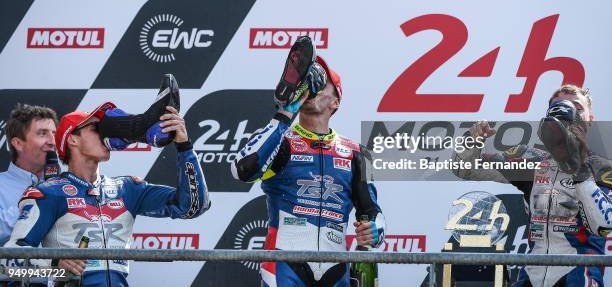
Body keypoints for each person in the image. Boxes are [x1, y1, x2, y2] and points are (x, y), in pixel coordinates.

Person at [5, 76, 210, 287]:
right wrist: (55, 266)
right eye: (95, 128)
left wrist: (184, 146)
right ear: (72, 139)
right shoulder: (49, 193)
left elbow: (193, 206)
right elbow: (8, 265)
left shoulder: (128, 189)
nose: (105, 133)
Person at [231, 38, 385, 287]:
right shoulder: (281, 142)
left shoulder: (357, 153)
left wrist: (374, 230)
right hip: (283, 262)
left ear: (336, 102)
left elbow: (372, 213)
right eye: (309, 80)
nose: (312, 87)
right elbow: (241, 170)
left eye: (321, 83)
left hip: (336, 267)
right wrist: (285, 112)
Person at [453, 84, 612, 287]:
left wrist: (579, 169)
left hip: (578, 274)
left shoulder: (603, 168)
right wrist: (471, 141)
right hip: (532, 273)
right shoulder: (529, 160)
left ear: (590, 119)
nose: (567, 112)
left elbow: (604, 226)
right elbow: (463, 168)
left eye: (576, 107)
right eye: (559, 106)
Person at [0, 104, 57, 246]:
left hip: (58, 269)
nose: (52, 142)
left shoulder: (66, 184)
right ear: (18, 143)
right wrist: (35, 200)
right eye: (42, 133)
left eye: (54, 134)